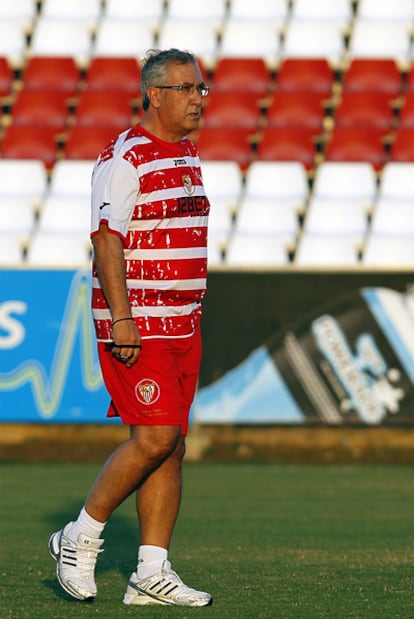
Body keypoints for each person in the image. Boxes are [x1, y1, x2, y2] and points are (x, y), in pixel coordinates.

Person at [48, 48, 212, 607]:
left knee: (172, 446)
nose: (198, 99)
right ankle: (80, 536)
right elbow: (106, 239)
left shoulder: (187, 153)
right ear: (156, 95)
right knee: (155, 437)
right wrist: (123, 319)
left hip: (182, 324)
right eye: (188, 89)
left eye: (202, 90)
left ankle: (150, 572)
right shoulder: (125, 157)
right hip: (137, 323)